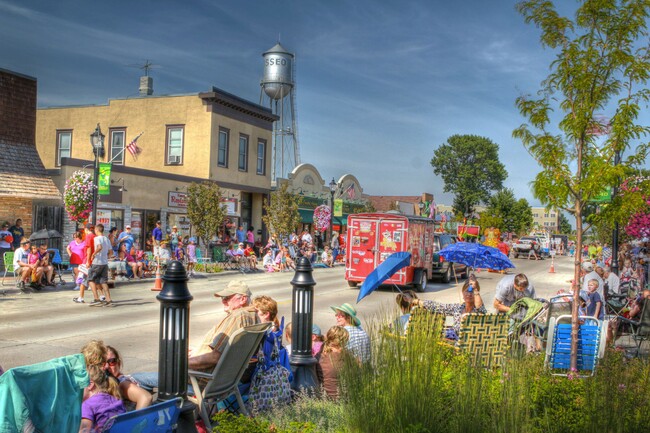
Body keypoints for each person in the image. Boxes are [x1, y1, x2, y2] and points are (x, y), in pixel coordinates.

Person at [132, 280, 259, 390]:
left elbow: (216, 357)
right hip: (224, 382)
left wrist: (180, 362)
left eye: (227, 298)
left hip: (202, 381)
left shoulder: (238, 316)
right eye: (222, 298)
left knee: (134, 379)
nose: (223, 302)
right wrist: (198, 351)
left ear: (242, 299)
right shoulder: (253, 316)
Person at [408, 281, 487, 340]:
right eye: (467, 291)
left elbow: (481, 310)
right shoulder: (458, 308)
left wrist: (475, 288)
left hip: (472, 344)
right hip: (456, 343)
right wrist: (416, 301)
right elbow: (438, 306)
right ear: (462, 294)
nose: (469, 294)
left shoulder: (478, 310)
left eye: (472, 292)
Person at [79, 364, 125, 433]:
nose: (76, 391)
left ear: (90, 385)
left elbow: (84, 431)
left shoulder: (87, 405)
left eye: (78, 386)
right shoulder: (116, 400)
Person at [104, 345, 152, 410]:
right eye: (103, 363)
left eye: (112, 361)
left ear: (119, 363)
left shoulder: (123, 383)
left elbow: (146, 397)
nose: (107, 366)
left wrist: (137, 419)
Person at [316, 326, 349, 400]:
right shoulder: (347, 357)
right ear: (343, 340)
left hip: (323, 398)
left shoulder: (319, 356)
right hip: (343, 399)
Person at [88, 224, 114, 307]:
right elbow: (111, 252)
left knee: (91, 279)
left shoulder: (97, 238)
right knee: (103, 281)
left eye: (95, 230)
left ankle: (96, 298)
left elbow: (99, 247)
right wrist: (106, 257)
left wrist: (93, 254)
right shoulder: (107, 239)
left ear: (97, 230)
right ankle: (108, 300)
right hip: (104, 263)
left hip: (97, 262)